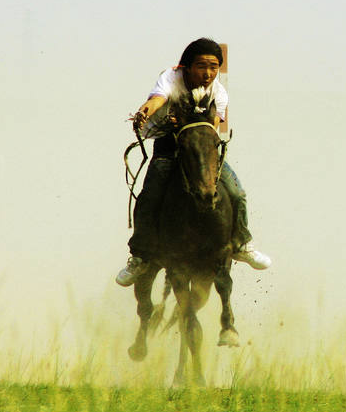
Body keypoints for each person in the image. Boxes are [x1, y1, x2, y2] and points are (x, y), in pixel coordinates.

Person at [116, 38, 271, 286]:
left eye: (213, 67)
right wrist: (145, 111)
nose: (207, 73)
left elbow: (212, 128)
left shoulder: (219, 92)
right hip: (168, 146)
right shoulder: (170, 78)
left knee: (237, 193)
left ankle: (241, 242)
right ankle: (140, 256)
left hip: (201, 148)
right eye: (201, 66)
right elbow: (158, 99)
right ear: (186, 66)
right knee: (149, 196)